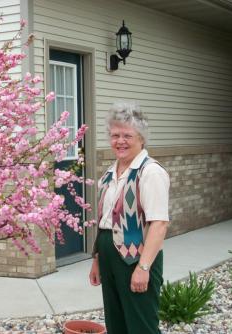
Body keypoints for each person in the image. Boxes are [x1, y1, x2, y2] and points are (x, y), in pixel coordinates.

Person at [89, 101, 170, 334]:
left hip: (136, 258)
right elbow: (106, 220)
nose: (120, 141)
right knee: (116, 324)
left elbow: (159, 224)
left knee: (141, 325)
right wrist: (97, 259)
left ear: (141, 138)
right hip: (108, 255)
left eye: (127, 135)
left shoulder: (150, 172)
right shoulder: (109, 172)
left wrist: (143, 267)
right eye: (115, 135)